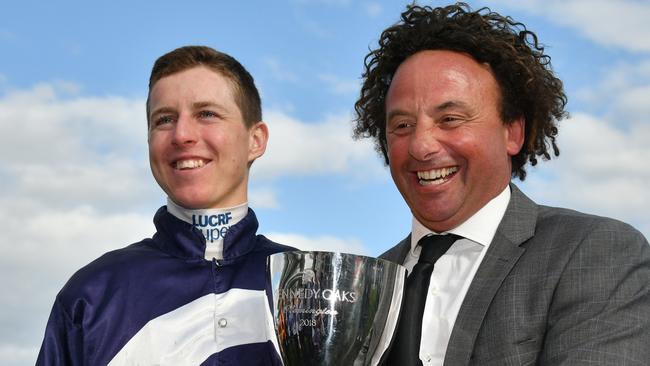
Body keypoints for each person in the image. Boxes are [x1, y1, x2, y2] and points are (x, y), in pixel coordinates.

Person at [353, 3, 650, 365]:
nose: (420, 145)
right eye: (402, 125)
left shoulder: (595, 254)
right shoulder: (363, 285)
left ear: (513, 132)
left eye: (450, 118)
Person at [37, 46, 294, 365]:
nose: (182, 134)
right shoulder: (91, 294)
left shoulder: (306, 285)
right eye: (164, 119)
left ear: (255, 140)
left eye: (207, 114)